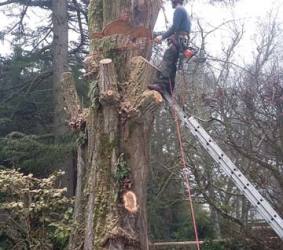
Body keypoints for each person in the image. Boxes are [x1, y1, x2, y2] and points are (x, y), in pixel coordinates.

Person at [148, 0, 191, 96]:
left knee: (168, 59)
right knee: (172, 64)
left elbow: (174, 28)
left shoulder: (179, 10)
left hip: (179, 40)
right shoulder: (185, 12)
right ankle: (169, 88)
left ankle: (162, 85)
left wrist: (162, 37)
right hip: (182, 41)